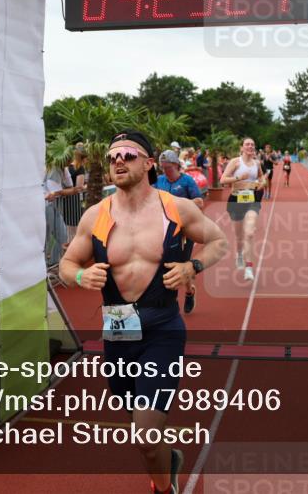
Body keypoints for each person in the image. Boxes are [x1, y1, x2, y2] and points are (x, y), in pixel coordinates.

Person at [60, 130, 227, 494]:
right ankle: (168, 462)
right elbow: (66, 263)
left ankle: (163, 488)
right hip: (117, 333)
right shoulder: (96, 214)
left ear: (149, 163)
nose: (118, 161)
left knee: (146, 436)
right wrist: (79, 274)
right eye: (112, 156)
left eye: (129, 154)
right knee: (139, 424)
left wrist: (192, 268)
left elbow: (218, 241)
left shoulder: (175, 207)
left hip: (162, 330)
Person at [155, 149, 204, 314]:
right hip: (163, 230)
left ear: (176, 165)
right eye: (163, 167)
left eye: (168, 167)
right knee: (163, 264)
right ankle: (169, 301)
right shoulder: (158, 180)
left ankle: (189, 292)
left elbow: (199, 202)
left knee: (183, 264)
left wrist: (179, 205)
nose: (165, 171)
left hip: (184, 231)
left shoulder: (187, 181)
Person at [220, 138, 267, 282]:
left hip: (252, 199)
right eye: (247, 144)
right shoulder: (236, 162)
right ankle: (239, 254)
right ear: (242, 147)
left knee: (250, 233)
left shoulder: (257, 163)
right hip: (236, 200)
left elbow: (261, 177)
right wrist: (240, 177)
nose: (250, 146)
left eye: (252, 144)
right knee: (239, 236)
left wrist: (262, 182)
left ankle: (249, 268)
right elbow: (222, 180)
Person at [44, 158, 74, 267]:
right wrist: (73, 190)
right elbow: (55, 192)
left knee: (60, 236)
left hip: (53, 206)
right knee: (49, 238)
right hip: (48, 206)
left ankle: (51, 262)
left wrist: (70, 190)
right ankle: (49, 264)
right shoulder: (53, 169)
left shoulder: (60, 169)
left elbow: (69, 185)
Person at [63, 145, 88, 243]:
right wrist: (87, 186)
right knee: (75, 227)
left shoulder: (67, 167)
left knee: (68, 227)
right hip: (74, 201)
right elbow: (79, 187)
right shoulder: (80, 168)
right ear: (84, 158)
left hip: (65, 200)